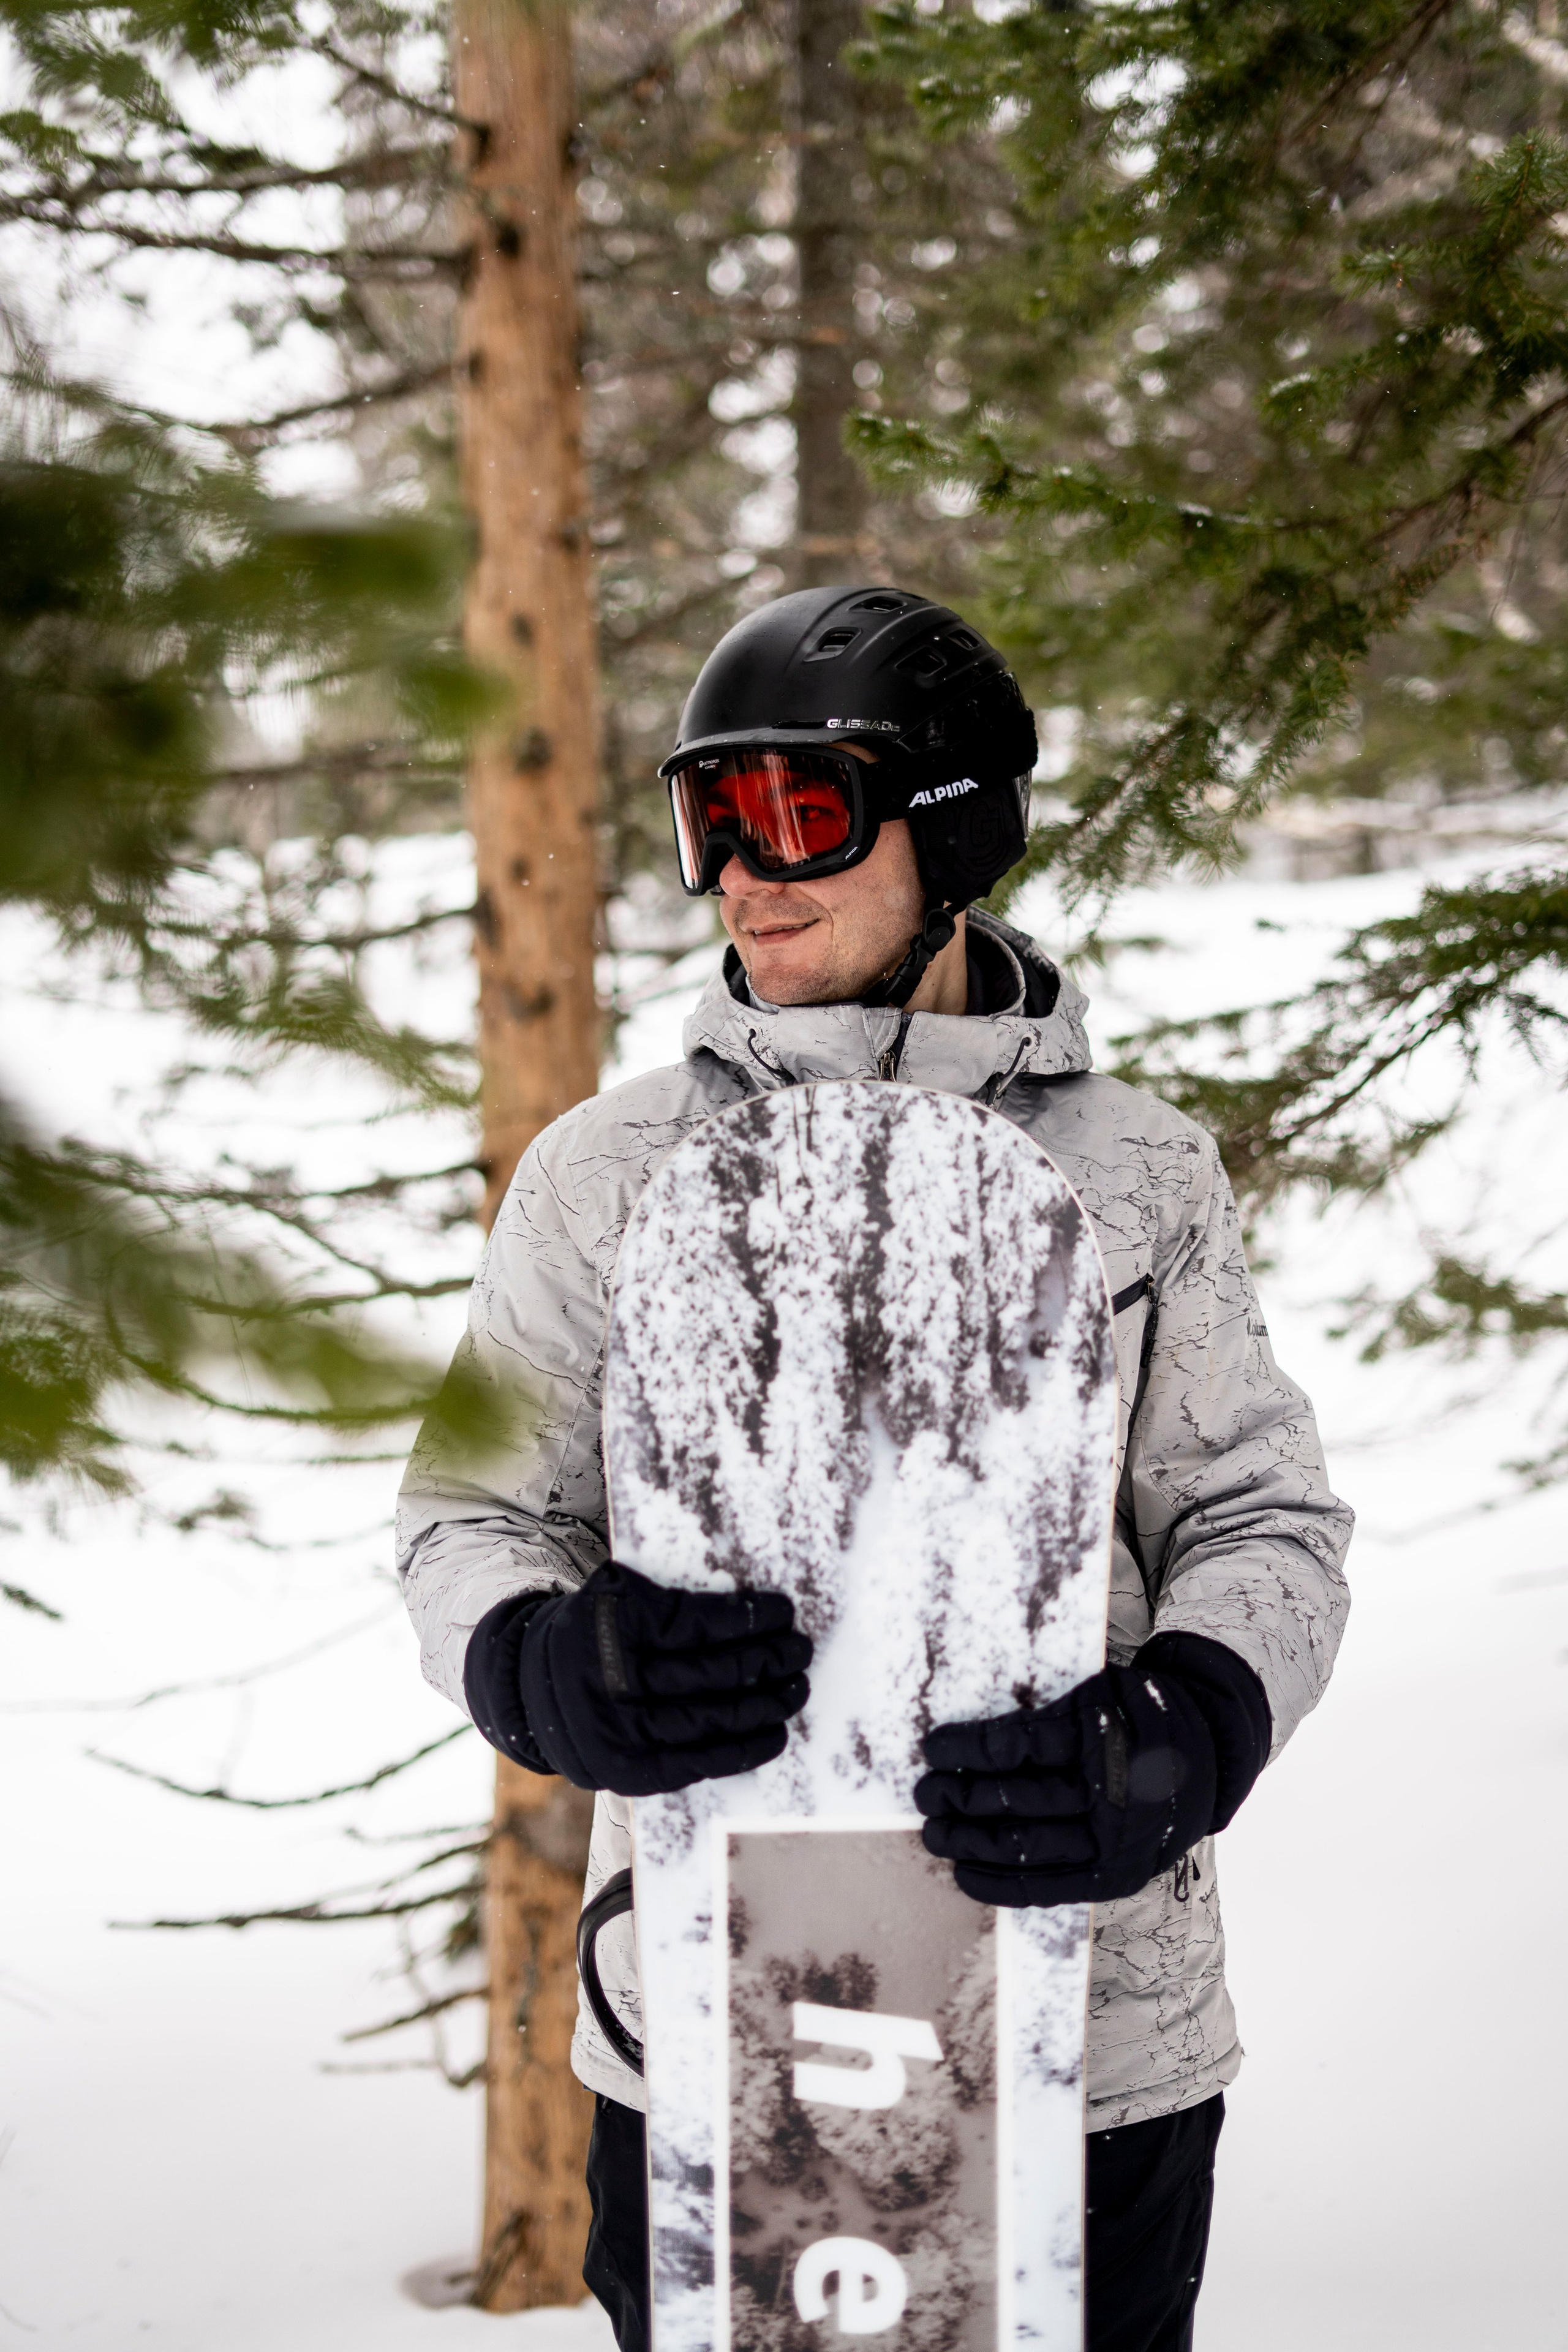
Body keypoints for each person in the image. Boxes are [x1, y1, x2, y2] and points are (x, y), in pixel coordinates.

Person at [396, 587, 1353, 2352]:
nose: (744, 877)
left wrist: (1190, 1727)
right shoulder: (609, 1175)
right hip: (713, 2028)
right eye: (711, 821)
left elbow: (1260, 1519)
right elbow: (473, 1514)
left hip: (1083, 2035)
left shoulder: (1137, 1177)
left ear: (952, 828)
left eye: (801, 815)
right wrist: (545, 1662)